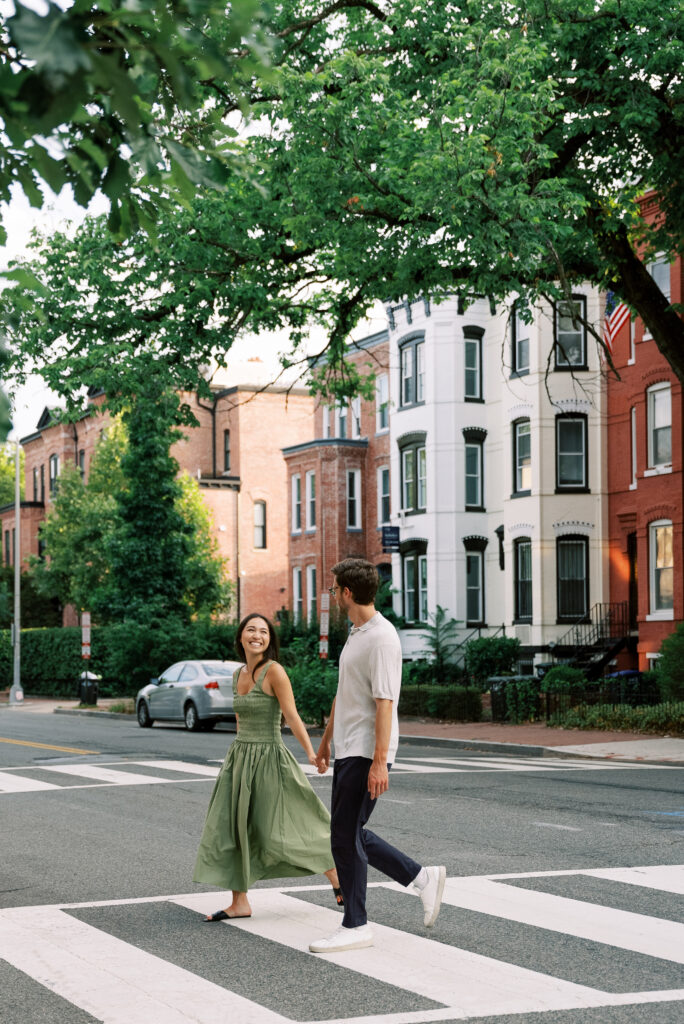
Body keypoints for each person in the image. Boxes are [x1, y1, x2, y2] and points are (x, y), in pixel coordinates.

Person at [309, 558, 446, 953]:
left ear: (347, 593)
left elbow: (385, 702)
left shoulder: (382, 637)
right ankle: (421, 878)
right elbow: (345, 693)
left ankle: (356, 924)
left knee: (342, 836)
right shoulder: (357, 633)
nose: (333, 596)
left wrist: (380, 761)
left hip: (367, 751)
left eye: (335, 590)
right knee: (348, 833)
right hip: (348, 748)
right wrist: (324, 742)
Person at [193, 612, 342, 920]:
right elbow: (239, 719)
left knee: (278, 829)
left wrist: (312, 754)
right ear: (240, 637)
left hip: (270, 757)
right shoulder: (237, 675)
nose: (257, 635)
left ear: (270, 640)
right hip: (240, 760)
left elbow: (292, 716)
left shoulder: (274, 671)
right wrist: (236, 760)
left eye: (263, 631)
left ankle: (336, 873)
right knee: (235, 828)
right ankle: (240, 902)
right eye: (251, 630)